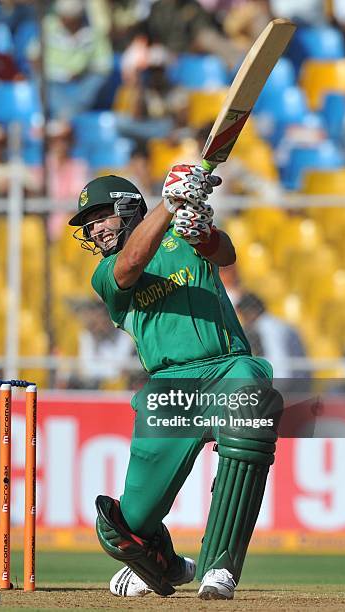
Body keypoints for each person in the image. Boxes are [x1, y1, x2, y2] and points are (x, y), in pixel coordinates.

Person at [69, 165, 283, 599]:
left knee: (252, 406)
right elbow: (131, 267)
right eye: (87, 226)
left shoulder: (183, 239)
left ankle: (219, 567)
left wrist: (199, 228)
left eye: (99, 217)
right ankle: (162, 563)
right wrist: (170, 203)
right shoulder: (106, 273)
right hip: (169, 388)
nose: (93, 231)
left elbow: (226, 255)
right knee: (120, 530)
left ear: (127, 208)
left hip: (227, 367)